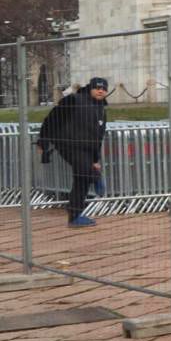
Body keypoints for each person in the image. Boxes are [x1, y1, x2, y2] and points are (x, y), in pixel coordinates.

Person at [38, 78, 109, 228]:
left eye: (104, 89)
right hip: (67, 143)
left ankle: (75, 216)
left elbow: (98, 137)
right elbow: (52, 119)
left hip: (87, 148)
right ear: (90, 88)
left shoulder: (102, 109)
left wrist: (95, 160)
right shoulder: (73, 99)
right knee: (85, 171)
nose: (100, 91)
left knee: (82, 179)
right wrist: (43, 140)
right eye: (97, 88)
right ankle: (96, 177)